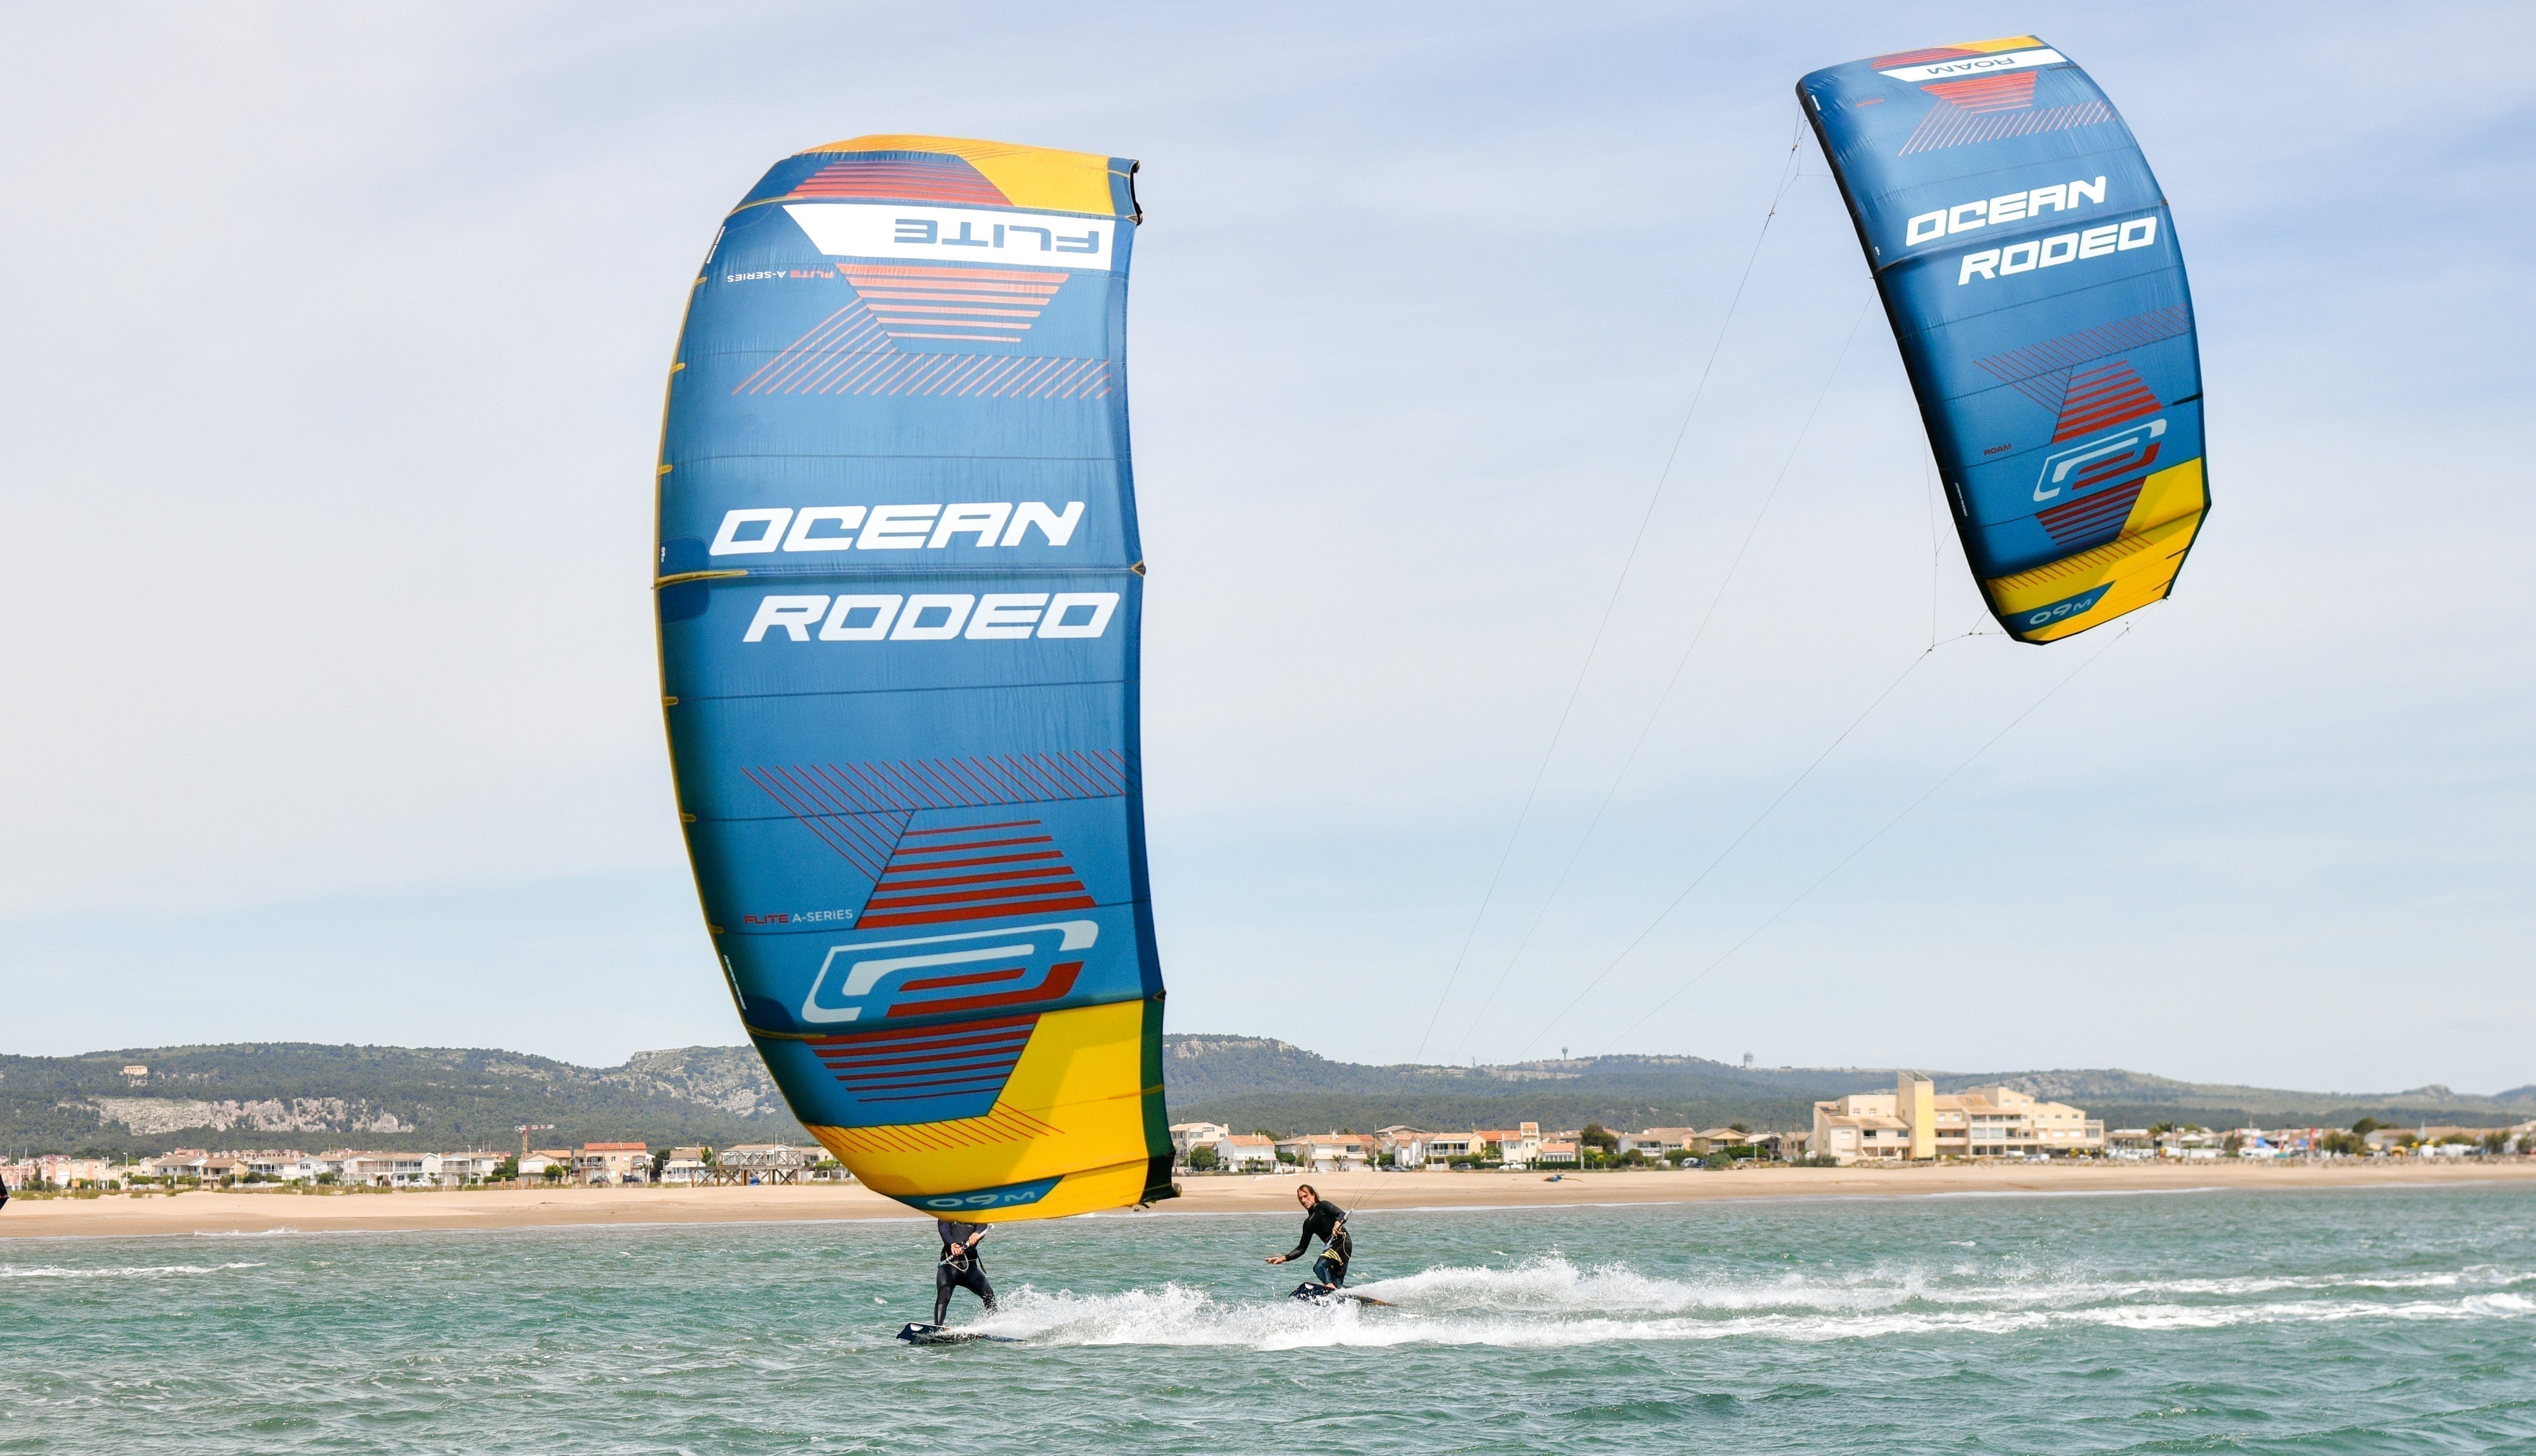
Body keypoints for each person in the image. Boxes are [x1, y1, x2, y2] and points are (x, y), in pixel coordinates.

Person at [1264, 1183, 1352, 1298]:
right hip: (1334, 1246)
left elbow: (1342, 1214)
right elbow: (1302, 1248)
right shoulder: (1308, 1223)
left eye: (1306, 1196)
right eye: (1300, 1198)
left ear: (1313, 1195)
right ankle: (1353, 1294)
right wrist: (1283, 1258)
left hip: (1342, 1242)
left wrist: (1337, 1223)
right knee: (1337, 1284)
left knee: (1319, 1267)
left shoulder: (1323, 1206)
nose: (1303, 1200)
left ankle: (1331, 1289)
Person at [931, 1217, 997, 1326]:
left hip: (969, 1269)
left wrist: (976, 1233)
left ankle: (994, 1324)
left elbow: (983, 1227)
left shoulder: (978, 1216)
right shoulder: (946, 1214)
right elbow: (944, 1231)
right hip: (949, 1267)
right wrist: (953, 1244)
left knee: (988, 1293)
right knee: (943, 1294)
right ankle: (937, 1328)